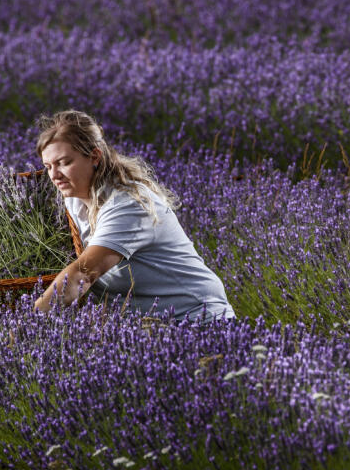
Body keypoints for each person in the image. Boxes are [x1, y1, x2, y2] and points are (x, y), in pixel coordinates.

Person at [28, 109, 236, 323]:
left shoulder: (127, 204)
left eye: (64, 163)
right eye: (48, 166)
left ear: (94, 156)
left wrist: (25, 325)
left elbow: (83, 274)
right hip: (145, 327)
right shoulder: (73, 197)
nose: (53, 175)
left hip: (197, 320)